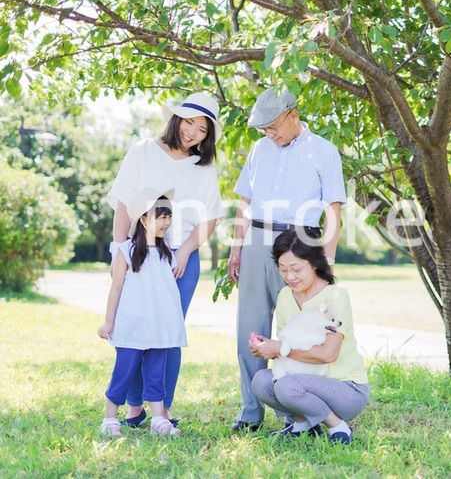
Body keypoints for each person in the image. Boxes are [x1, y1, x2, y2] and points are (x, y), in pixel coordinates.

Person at [228, 87, 346, 433]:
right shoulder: (258, 149)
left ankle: (292, 414)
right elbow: (245, 202)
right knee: (249, 330)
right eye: (264, 129)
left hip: (301, 242)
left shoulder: (323, 151)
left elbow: (333, 208)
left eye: (273, 127)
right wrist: (236, 248)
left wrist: (328, 258)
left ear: (293, 115)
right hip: (256, 239)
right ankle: (251, 410)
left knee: (298, 330)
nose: (270, 134)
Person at [105, 92, 223, 428]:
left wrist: (184, 250)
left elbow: (210, 219)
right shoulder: (143, 151)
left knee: (167, 335)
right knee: (132, 329)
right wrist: (118, 250)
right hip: (137, 255)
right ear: (177, 119)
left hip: (178, 261)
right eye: (190, 123)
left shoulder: (204, 167)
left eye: (203, 130)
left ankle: (163, 410)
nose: (193, 134)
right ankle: (132, 408)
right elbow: (124, 205)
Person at [249, 228, 369, 445]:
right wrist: (267, 348)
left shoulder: (334, 296)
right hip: (304, 380)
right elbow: (288, 352)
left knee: (286, 386)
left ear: (314, 263)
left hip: (345, 389)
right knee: (261, 382)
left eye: (296, 269)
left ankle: (338, 426)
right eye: (283, 270)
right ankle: (303, 424)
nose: (290, 277)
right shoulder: (285, 296)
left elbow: (328, 354)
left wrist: (281, 348)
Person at [97, 188, 186, 437]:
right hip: (131, 325)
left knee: (156, 373)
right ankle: (109, 418)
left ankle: (158, 418)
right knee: (124, 371)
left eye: (169, 217)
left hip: (158, 328)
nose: (166, 223)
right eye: (161, 217)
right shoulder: (125, 251)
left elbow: (166, 295)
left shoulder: (168, 254)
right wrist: (108, 322)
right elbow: (115, 290)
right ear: (144, 219)